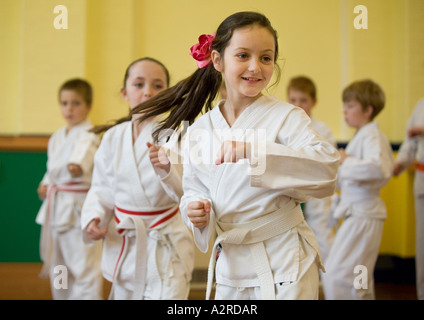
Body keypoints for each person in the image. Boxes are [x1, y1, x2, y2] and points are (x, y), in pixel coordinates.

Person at [131, 11, 340, 300]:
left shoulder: (287, 117)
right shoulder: (201, 129)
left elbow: (327, 169)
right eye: (243, 55)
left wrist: (254, 151)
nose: (255, 67)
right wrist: (195, 210)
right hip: (231, 265)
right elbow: (194, 189)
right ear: (217, 60)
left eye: (266, 58)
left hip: (285, 260)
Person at [80, 57, 194, 300]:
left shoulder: (174, 135)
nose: (147, 92)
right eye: (139, 84)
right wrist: (94, 216)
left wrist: (167, 170)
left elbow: (189, 192)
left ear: (168, 93)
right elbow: (101, 188)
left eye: (157, 85)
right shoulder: (112, 138)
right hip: (125, 239)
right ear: (124, 92)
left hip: (165, 241)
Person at [321, 79, 394, 300]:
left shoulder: (372, 135)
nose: (345, 111)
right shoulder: (362, 136)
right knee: (360, 274)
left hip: (363, 215)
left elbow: (379, 169)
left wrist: (346, 160)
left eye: (351, 106)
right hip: (360, 214)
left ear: (368, 109)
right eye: (345, 105)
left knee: (335, 274)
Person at [35, 78, 103, 300]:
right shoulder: (57, 137)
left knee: (83, 265)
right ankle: (61, 297)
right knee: (60, 265)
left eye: (76, 103)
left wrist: (77, 165)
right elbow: (53, 169)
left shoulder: (90, 133)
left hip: (77, 209)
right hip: (56, 207)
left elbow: (80, 160)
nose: (69, 108)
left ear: (88, 106)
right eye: (64, 103)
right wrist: (45, 184)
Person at [287, 76, 336, 263]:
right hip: (293, 193)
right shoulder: (285, 128)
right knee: (295, 248)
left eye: (303, 100)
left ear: (314, 102)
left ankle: (332, 286)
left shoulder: (323, 130)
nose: (298, 105)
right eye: (293, 100)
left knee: (323, 241)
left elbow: (327, 163)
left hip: (316, 196)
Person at [393, 97, 424, 300]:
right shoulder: (421, 105)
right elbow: (409, 141)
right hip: (422, 179)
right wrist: (399, 164)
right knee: (422, 247)